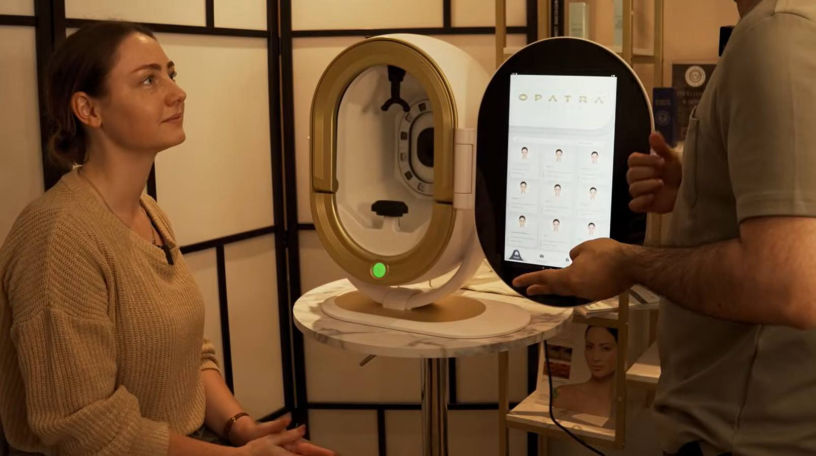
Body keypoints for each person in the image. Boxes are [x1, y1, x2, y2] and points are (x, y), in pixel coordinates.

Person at [0, 22, 334, 456]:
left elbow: (189, 355)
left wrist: (242, 429)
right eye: (148, 80)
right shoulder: (57, 237)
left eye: (170, 74)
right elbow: (85, 427)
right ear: (88, 109)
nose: (178, 93)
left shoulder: (149, 212)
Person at [514, 1, 816, 454]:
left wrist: (629, 264)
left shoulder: (778, 32)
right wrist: (695, 185)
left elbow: (786, 280)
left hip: (740, 437)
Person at [552, 326, 617, 420]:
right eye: (589, 347)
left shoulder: (629, 401)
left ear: (622, 351)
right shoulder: (563, 394)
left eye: (605, 348)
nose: (595, 357)